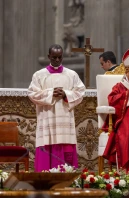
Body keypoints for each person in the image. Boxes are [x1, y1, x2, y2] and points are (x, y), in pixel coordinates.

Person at [28, 44, 85, 172]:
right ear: (49, 56)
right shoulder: (39, 75)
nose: (57, 60)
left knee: (65, 152)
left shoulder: (72, 75)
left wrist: (66, 94)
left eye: (60, 57)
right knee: (46, 148)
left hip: (64, 120)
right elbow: (32, 94)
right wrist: (50, 93)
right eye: (54, 57)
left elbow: (80, 92)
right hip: (47, 118)